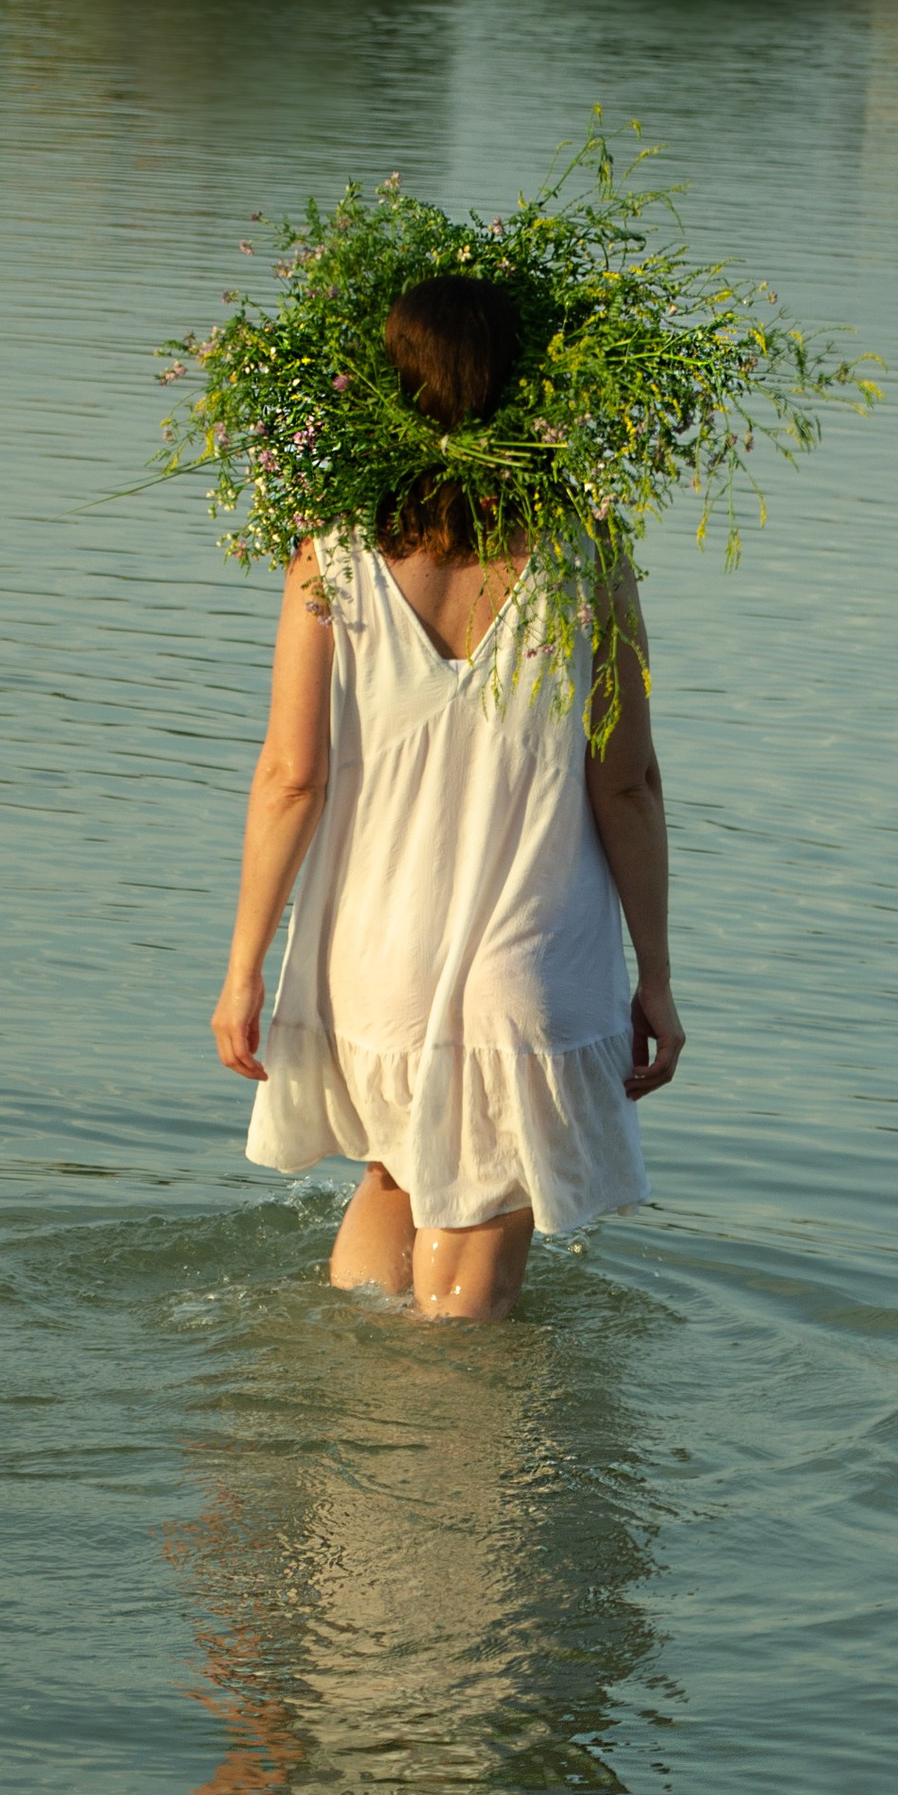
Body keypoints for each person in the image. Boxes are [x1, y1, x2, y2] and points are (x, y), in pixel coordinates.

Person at [212, 271, 682, 1324]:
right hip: (529, 972)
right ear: (527, 388)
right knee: (466, 1333)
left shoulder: (330, 553)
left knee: (389, 1181)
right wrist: (655, 974)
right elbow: (626, 779)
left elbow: (291, 775)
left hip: (369, 967)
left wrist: (243, 971)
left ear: (389, 386)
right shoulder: (586, 555)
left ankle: (344, 1452)